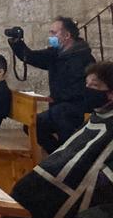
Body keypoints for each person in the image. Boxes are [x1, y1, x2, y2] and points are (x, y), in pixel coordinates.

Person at [0, 61, 113, 218]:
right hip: (67, 178)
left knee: (50, 202)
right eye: (87, 84)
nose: (89, 89)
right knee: (29, 190)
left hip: (93, 191)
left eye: (96, 85)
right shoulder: (100, 114)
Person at [9, 17, 101, 153]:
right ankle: (57, 155)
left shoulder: (82, 58)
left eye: (53, 33)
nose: (50, 37)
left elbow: (81, 88)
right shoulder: (55, 53)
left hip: (76, 108)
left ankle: (65, 158)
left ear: (67, 35)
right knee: (33, 125)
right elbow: (30, 56)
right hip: (59, 107)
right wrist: (17, 42)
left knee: (63, 121)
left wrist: (57, 97)